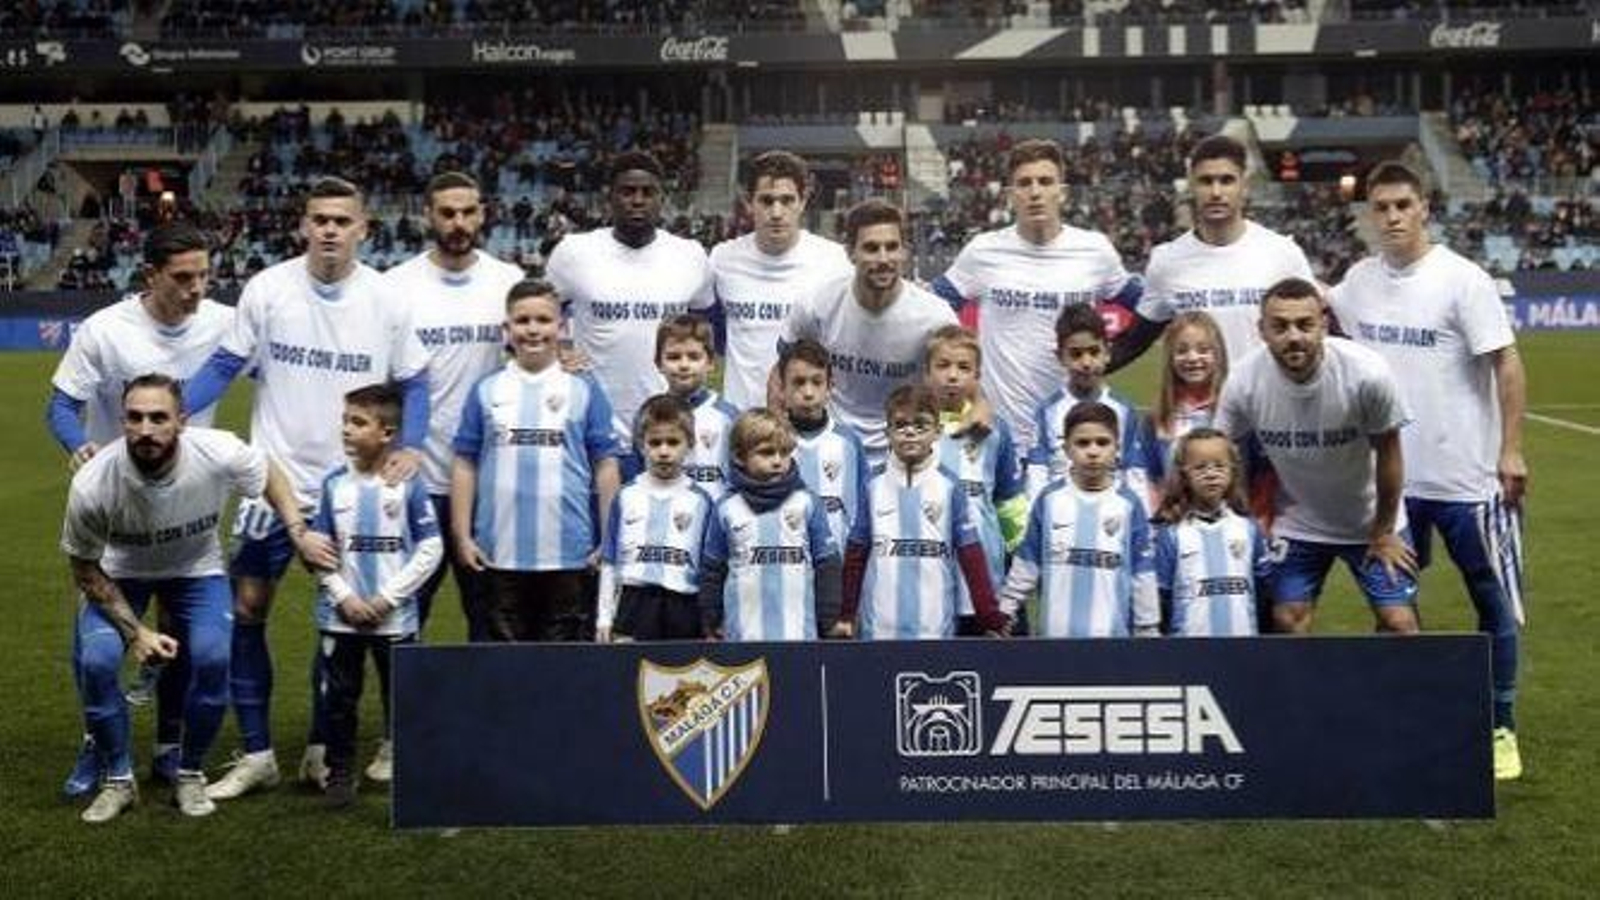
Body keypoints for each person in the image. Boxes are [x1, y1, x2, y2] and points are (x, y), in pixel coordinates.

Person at [183, 176, 432, 801]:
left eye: (341, 221)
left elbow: (417, 382)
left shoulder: (389, 299)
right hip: (272, 485)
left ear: (363, 229)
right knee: (247, 611)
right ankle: (260, 752)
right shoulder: (268, 288)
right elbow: (221, 366)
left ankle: (326, 745)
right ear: (302, 225)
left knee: (348, 623)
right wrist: (176, 409)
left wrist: (409, 444)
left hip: (357, 492)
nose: (328, 229)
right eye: (318, 218)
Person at [1327, 160, 1529, 779]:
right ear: (1367, 215)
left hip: (1469, 481)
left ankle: (1499, 726)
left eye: (1401, 205)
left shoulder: (1463, 281)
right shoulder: (1355, 283)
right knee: (1393, 606)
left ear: (1424, 209)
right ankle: (1400, 716)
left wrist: (1511, 449)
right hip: (1395, 487)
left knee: (1491, 601)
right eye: (1379, 207)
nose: (1390, 216)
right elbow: (1312, 319)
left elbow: (1508, 365)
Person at [61, 375, 331, 823]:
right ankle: (118, 779)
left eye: (158, 418)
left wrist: (299, 531)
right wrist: (137, 634)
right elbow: (85, 571)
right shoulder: (93, 483)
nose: (145, 429)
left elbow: (269, 475)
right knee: (96, 663)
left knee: (212, 659)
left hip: (194, 571)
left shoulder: (217, 450)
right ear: (123, 420)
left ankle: (188, 773)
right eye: (134, 417)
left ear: (181, 422)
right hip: (120, 575)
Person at [47, 221, 233, 795]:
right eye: (183, 277)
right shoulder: (106, 330)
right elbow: (61, 404)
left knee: (182, 636)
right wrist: (77, 443)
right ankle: (96, 748)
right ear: (150, 275)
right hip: (117, 514)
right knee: (98, 645)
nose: (197, 288)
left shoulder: (224, 322)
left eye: (204, 274)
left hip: (188, 509)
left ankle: (169, 747)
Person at [1214, 277, 1419, 635]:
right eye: (1280, 326)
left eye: (1305, 325)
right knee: (1286, 620)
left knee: (1401, 625)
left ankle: (1381, 691)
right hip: (1299, 521)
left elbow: (1390, 453)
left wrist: (1384, 532)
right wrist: (1240, 516)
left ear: (1324, 324)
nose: (1293, 336)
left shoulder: (1367, 373)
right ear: (1261, 330)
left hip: (1372, 520)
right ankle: (1299, 693)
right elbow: (1222, 452)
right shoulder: (1244, 380)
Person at [931, 138, 1141, 457]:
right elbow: (929, 309)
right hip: (997, 436)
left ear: (1063, 191)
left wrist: (1115, 355)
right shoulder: (983, 251)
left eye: (1045, 181)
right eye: (1024, 183)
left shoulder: (1094, 250)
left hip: (1073, 441)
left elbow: (1149, 308)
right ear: (1010, 194)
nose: (1035, 192)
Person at [385, 171, 525, 641]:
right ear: (428, 216)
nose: (458, 222)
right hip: (414, 478)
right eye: (447, 213)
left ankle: (485, 713)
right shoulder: (396, 287)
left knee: (488, 615)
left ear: (483, 213)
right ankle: (402, 715)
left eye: (468, 212)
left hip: (488, 480)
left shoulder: (508, 281)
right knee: (404, 613)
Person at [450, 280, 622, 643]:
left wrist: (609, 536)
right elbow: (464, 463)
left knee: (564, 668)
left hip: (569, 555)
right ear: (506, 330)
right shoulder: (486, 390)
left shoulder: (583, 389)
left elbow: (606, 465)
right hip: (498, 553)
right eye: (522, 320)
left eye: (543, 320)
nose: (532, 329)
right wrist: (462, 535)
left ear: (561, 328)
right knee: (504, 669)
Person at [310, 383, 442, 806]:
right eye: (345, 421)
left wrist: (387, 598)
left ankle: (410, 766)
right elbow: (320, 549)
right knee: (340, 699)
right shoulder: (333, 485)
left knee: (401, 694)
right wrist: (344, 596)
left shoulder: (408, 486)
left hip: (394, 617)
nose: (347, 430)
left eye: (358, 422)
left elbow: (430, 547)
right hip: (341, 616)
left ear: (387, 433)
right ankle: (340, 771)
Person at [544, 150, 713, 441]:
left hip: (668, 431)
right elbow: (537, 313)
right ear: (610, 197)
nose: (637, 200)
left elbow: (708, 319)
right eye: (628, 191)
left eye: (648, 192)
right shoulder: (573, 252)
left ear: (662, 198)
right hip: (594, 426)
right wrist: (554, 353)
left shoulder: (690, 255)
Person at [777, 198, 957, 465]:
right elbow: (781, 372)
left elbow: (960, 393)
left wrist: (949, 452)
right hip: (830, 449)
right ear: (850, 252)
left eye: (892, 247)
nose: (883, 259)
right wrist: (780, 436)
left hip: (904, 454)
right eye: (871, 248)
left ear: (905, 251)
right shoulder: (815, 304)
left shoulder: (936, 317)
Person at [1111, 134, 1314, 370]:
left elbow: (1317, 332)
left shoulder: (1283, 253)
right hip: (1201, 405)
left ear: (1244, 186)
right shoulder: (1167, 261)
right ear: (1192, 187)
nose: (1216, 192)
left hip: (1268, 403)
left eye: (1227, 180)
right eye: (1206, 181)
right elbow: (1134, 341)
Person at [840, 386, 1010, 640]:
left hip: (935, 632)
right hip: (877, 633)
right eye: (900, 425)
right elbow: (856, 553)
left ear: (938, 432)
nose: (910, 432)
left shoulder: (951, 487)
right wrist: (845, 615)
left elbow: (971, 557)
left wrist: (989, 616)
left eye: (921, 425)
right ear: (887, 432)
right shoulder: (871, 485)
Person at [999, 401, 1160, 638]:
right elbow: (1027, 562)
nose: (1093, 451)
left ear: (1117, 447)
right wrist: (1006, 609)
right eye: (1082, 443)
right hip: (1055, 640)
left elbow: (1142, 572)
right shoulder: (1050, 500)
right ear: (1066, 449)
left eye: (1102, 443)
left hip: (1112, 643)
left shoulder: (1128, 504)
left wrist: (1148, 628)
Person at [707, 150, 852, 410]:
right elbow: (711, 332)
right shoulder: (722, 260)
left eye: (787, 200)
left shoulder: (834, 262)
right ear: (748, 202)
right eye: (766, 200)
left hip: (806, 420)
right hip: (741, 421)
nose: (776, 212)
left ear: (803, 201)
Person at [698, 409, 842, 641]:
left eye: (784, 453)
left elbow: (827, 564)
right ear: (739, 456)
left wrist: (828, 620)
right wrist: (711, 620)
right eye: (766, 453)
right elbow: (712, 570)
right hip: (742, 639)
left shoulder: (807, 502)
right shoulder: (726, 507)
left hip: (800, 638)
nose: (777, 461)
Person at [924, 325, 1027, 635]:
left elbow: (1009, 502)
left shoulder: (995, 432)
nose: (953, 376)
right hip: (931, 576)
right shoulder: (914, 431)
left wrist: (1020, 562)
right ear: (927, 373)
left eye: (963, 367)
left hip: (985, 576)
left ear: (977, 376)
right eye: (943, 366)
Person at [596, 394, 715, 643]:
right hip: (633, 604)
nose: (663, 451)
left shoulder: (701, 501)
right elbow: (609, 561)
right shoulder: (626, 496)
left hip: (683, 605)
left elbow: (709, 569)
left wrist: (710, 621)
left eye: (673, 442)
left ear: (690, 444)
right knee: (631, 679)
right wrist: (604, 618)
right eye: (655, 442)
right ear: (641, 445)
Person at [1025, 304, 1158, 508]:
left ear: (1107, 353)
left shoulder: (1123, 410)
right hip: (1062, 519)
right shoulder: (1048, 411)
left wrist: (1144, 528)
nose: (1086, 362)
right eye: (1076, 354)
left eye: (1094, 352)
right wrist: (1036, 520)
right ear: (1060, 357)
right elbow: (1037, 471)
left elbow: (1135, 471)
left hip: (1112, 519)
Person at [1153, 428, 1272, 637]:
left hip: (1245, 649)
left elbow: (1263, 591)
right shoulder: (1172, 535)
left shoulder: (1248, 530)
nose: (1211, 474)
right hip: (1189, 653)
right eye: (1200, 467)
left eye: (1219, 466)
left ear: (1233, 471)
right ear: (1184, 474)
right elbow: (1162, 598)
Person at [779, 338, 870, 557]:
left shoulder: (848, 442)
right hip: (787, 566)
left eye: (817, 382)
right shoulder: (772, 442)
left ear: (830, 387)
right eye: (798, 382)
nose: (808, 393)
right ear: (782, 388)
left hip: (838, 565)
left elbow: (865, 506)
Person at [648, 315, 737, 500]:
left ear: (711, 362)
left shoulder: (728, 416)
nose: (684, 365)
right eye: (673, 357)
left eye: (694, 357)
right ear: (658, 362)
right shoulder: (649, 415)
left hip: (715, 523)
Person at [1146, 310, 1229, 486]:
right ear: (1170, 357)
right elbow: (1152, 478)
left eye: (1203, 350)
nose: (1192, 358)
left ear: (1218, 354)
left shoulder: (1235, 407)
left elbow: (1258, 476)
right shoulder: (1158, 415)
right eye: (1182, 351)